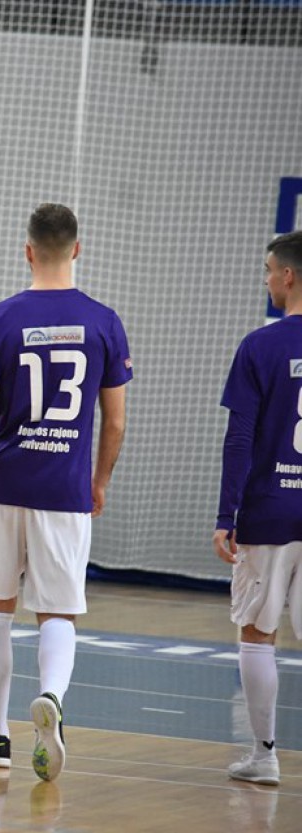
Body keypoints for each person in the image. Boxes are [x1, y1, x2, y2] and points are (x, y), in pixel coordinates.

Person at [0, 203, 131, 782]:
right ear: (76, 249)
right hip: (65, 486)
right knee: (57, 611)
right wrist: (99, 480)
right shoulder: (104, 321)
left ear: (28, 250)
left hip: (3, 481)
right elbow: (115, 422)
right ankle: (52, 697)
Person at [213, 230, 302, 788]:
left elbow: (240, 437)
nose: (266, 279)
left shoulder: (260, 345)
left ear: (288, 275)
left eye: (269, 270)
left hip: (269, 510)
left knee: (257, 632)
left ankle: (264, 755)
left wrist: (227, 515)